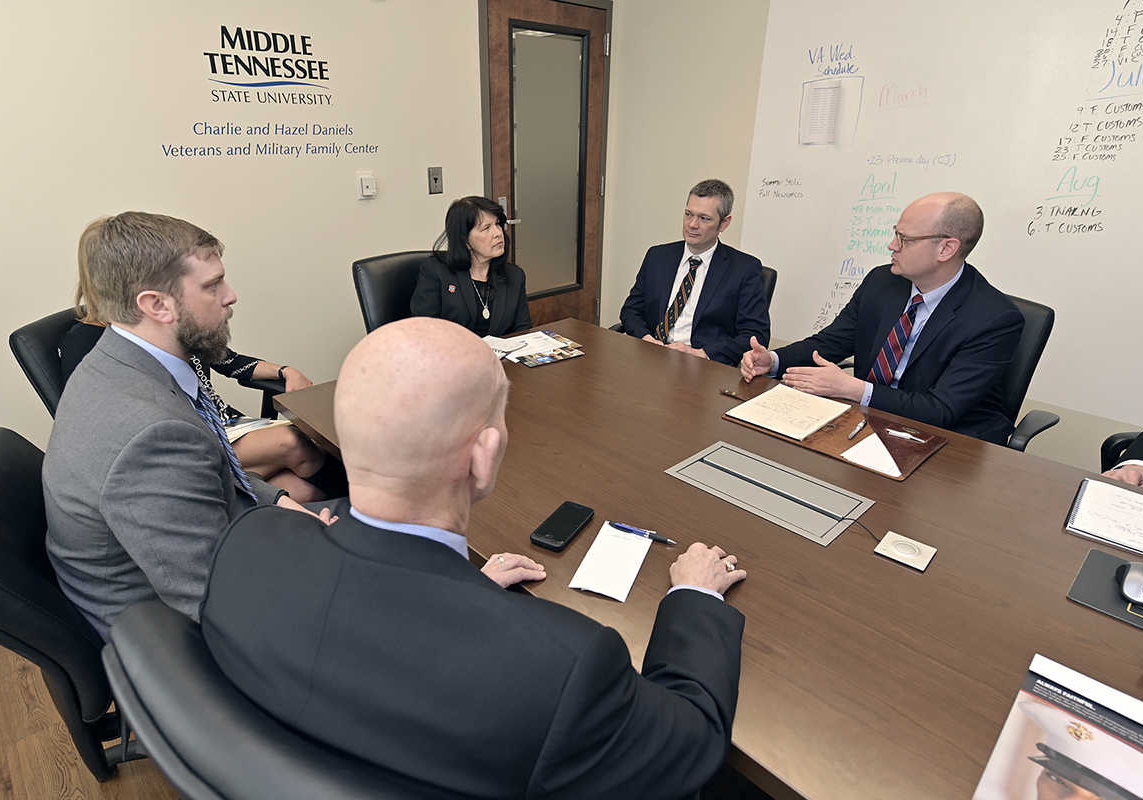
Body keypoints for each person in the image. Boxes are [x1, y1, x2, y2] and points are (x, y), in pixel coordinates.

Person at [201, 317, 749, 799]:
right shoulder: (564, 667)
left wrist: (469, 589)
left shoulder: (249, 543)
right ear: (483, 459)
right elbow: (692, 744)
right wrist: (695, 597)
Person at [43, 212, 343, 641]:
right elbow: (216, 603)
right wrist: (325, 574)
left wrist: (279, 503)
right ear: (157, 305)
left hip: (196, 567)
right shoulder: (150, 434)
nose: (230, 295)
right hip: (170, 633)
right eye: (212, 285)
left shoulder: (123, 361)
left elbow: (207, 473)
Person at [740, 192, 1024, 444]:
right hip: (870, 423)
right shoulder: (882, 281)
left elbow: (942, 410)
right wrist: (774, 361)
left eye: (905, 239)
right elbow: (832, 342)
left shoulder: (994, 319)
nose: (892, 245)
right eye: (895, 233)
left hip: (950, 442)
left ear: (946, 249)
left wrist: (854, 388)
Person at [59, 284, 332, 503]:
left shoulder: (163, 324)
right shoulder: (84, 341)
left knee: (305, 493)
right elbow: (92, 411)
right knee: (292, 442)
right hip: (188, 439)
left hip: (226, 424)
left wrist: (285, 371)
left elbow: (229, 360)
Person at [619, 179, 770, 365]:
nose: (692, 224)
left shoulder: (744, 269)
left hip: (702, 368)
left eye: (704, 218)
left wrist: (699, 353)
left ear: (724, 223)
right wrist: (647, 340)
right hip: (651, 358)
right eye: (688, 214)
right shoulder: (658, 256)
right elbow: (631, 310)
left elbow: (755, 336)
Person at [410, 195, 532, 337]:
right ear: (465, 240)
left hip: (499, 359)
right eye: (486, 228)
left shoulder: (515, 275)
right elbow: (423, 331)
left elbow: (523, 331)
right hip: (451, 356)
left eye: (498, 224)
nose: (498, 233)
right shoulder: (436, 271)